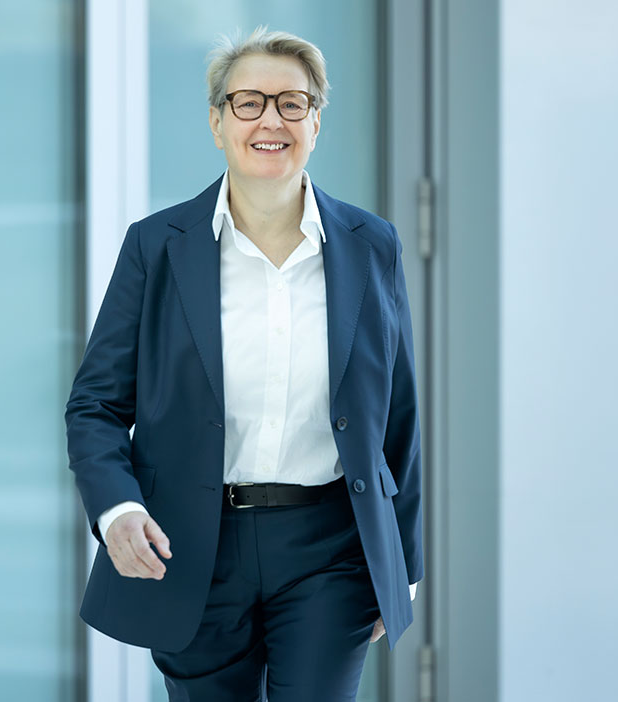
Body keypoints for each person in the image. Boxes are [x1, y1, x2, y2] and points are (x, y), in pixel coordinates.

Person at [65, 26, 424, 702]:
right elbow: (97, 406)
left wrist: (402, 561)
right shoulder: (157, 247)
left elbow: (396, 414)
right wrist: (116, 510)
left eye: (293, 103)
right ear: (217, 122)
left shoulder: (371, 245)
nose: (271, 119)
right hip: (193, 546)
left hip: (331, 548)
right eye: (248, 102)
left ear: (316, 122)